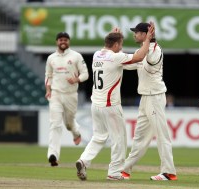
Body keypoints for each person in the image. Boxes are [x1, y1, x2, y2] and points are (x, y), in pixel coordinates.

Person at [75, 24, 155, 181]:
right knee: (119, 139)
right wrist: (148, 39)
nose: (122, 47)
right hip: (110, 105)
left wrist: (113, 36)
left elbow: (113, 51)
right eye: (121, 44)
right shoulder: (116, 57)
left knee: (98, 136)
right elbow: (139, 57)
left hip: (95, 105)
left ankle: (84, 160)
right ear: (117, 44)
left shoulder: (97, 54)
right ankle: (114, 173)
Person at [122, 23, 177, 181]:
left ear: (146, 34)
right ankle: (125, 170)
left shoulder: (155, 50)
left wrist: (148, 41)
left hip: (155, 96)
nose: (134, 35)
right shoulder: (143, 51)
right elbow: (131, 63)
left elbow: (148, 59)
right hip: (145, 97)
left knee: (161, 135)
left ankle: (168, 172)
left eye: (137, 32)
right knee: (139, 136)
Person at [45, 32, 89, 166]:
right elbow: (48, 75)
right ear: (56, 42)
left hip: (71, 95)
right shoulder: (51, 58)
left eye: (65, 39)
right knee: (55, 124)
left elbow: (85, 74)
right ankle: (53, 155)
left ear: (68, 41)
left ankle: (76, 133)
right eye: (60, 40)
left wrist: (77, 79)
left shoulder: (76, 56)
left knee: (69, 124)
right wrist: (48, 90)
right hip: (56, 94)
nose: (63, 42)